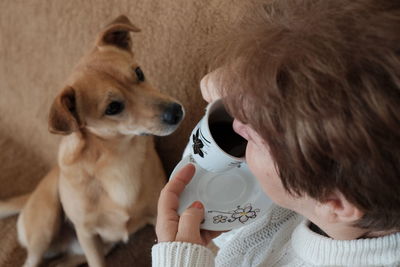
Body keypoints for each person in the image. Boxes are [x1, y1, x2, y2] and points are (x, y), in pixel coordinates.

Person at [152, 0, 400, 266]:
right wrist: (243, 88)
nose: (237, 123)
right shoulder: (323, 176)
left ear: (335, 204)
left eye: (254, 135)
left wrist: (179, 260)